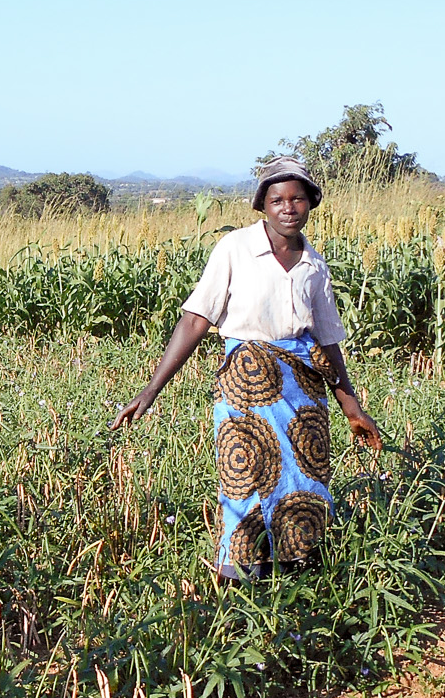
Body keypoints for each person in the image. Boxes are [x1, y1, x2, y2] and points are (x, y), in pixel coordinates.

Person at [111, 156, 383, 580]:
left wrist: (352, 407)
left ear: (311, 202)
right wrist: (150, 390)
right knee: (245, 477)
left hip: (303, 389)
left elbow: (327, 342)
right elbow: (197, 319)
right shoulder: (235, 249)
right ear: (263, 206)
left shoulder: (315, 266)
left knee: (304, 478)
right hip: (246, 380)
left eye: (297, 199)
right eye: (277, 200)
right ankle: (239, 578)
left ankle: (299, 573)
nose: (287, 207)